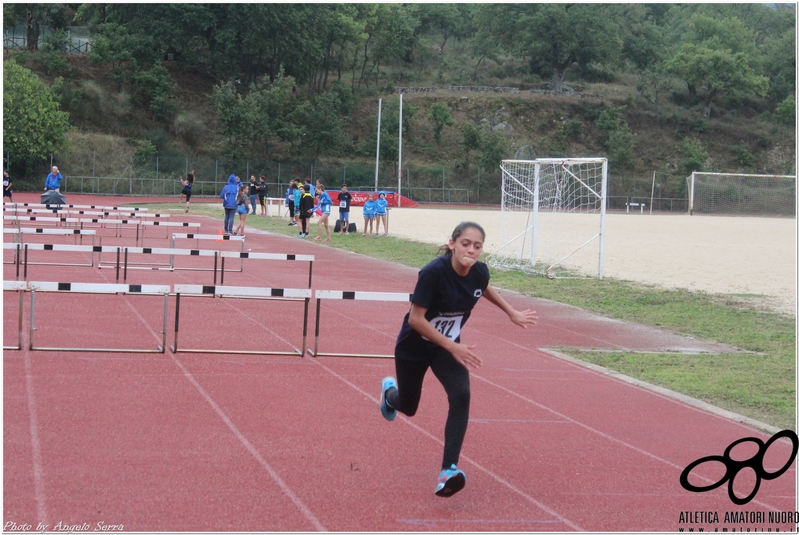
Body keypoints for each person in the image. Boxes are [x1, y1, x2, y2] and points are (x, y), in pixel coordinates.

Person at [379, 221, 538, 497]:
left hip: (446, 349)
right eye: (466, 243)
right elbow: (416, 319)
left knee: (461, 395)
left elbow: (484, 286)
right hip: (414, 347)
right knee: (408, 406)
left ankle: (448, 470)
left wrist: (510, 312)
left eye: (477, 246)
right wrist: (453, 346)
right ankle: (389, 394)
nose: (471, 250)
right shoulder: (433, 273)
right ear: (452, 244)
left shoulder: (479, 272)